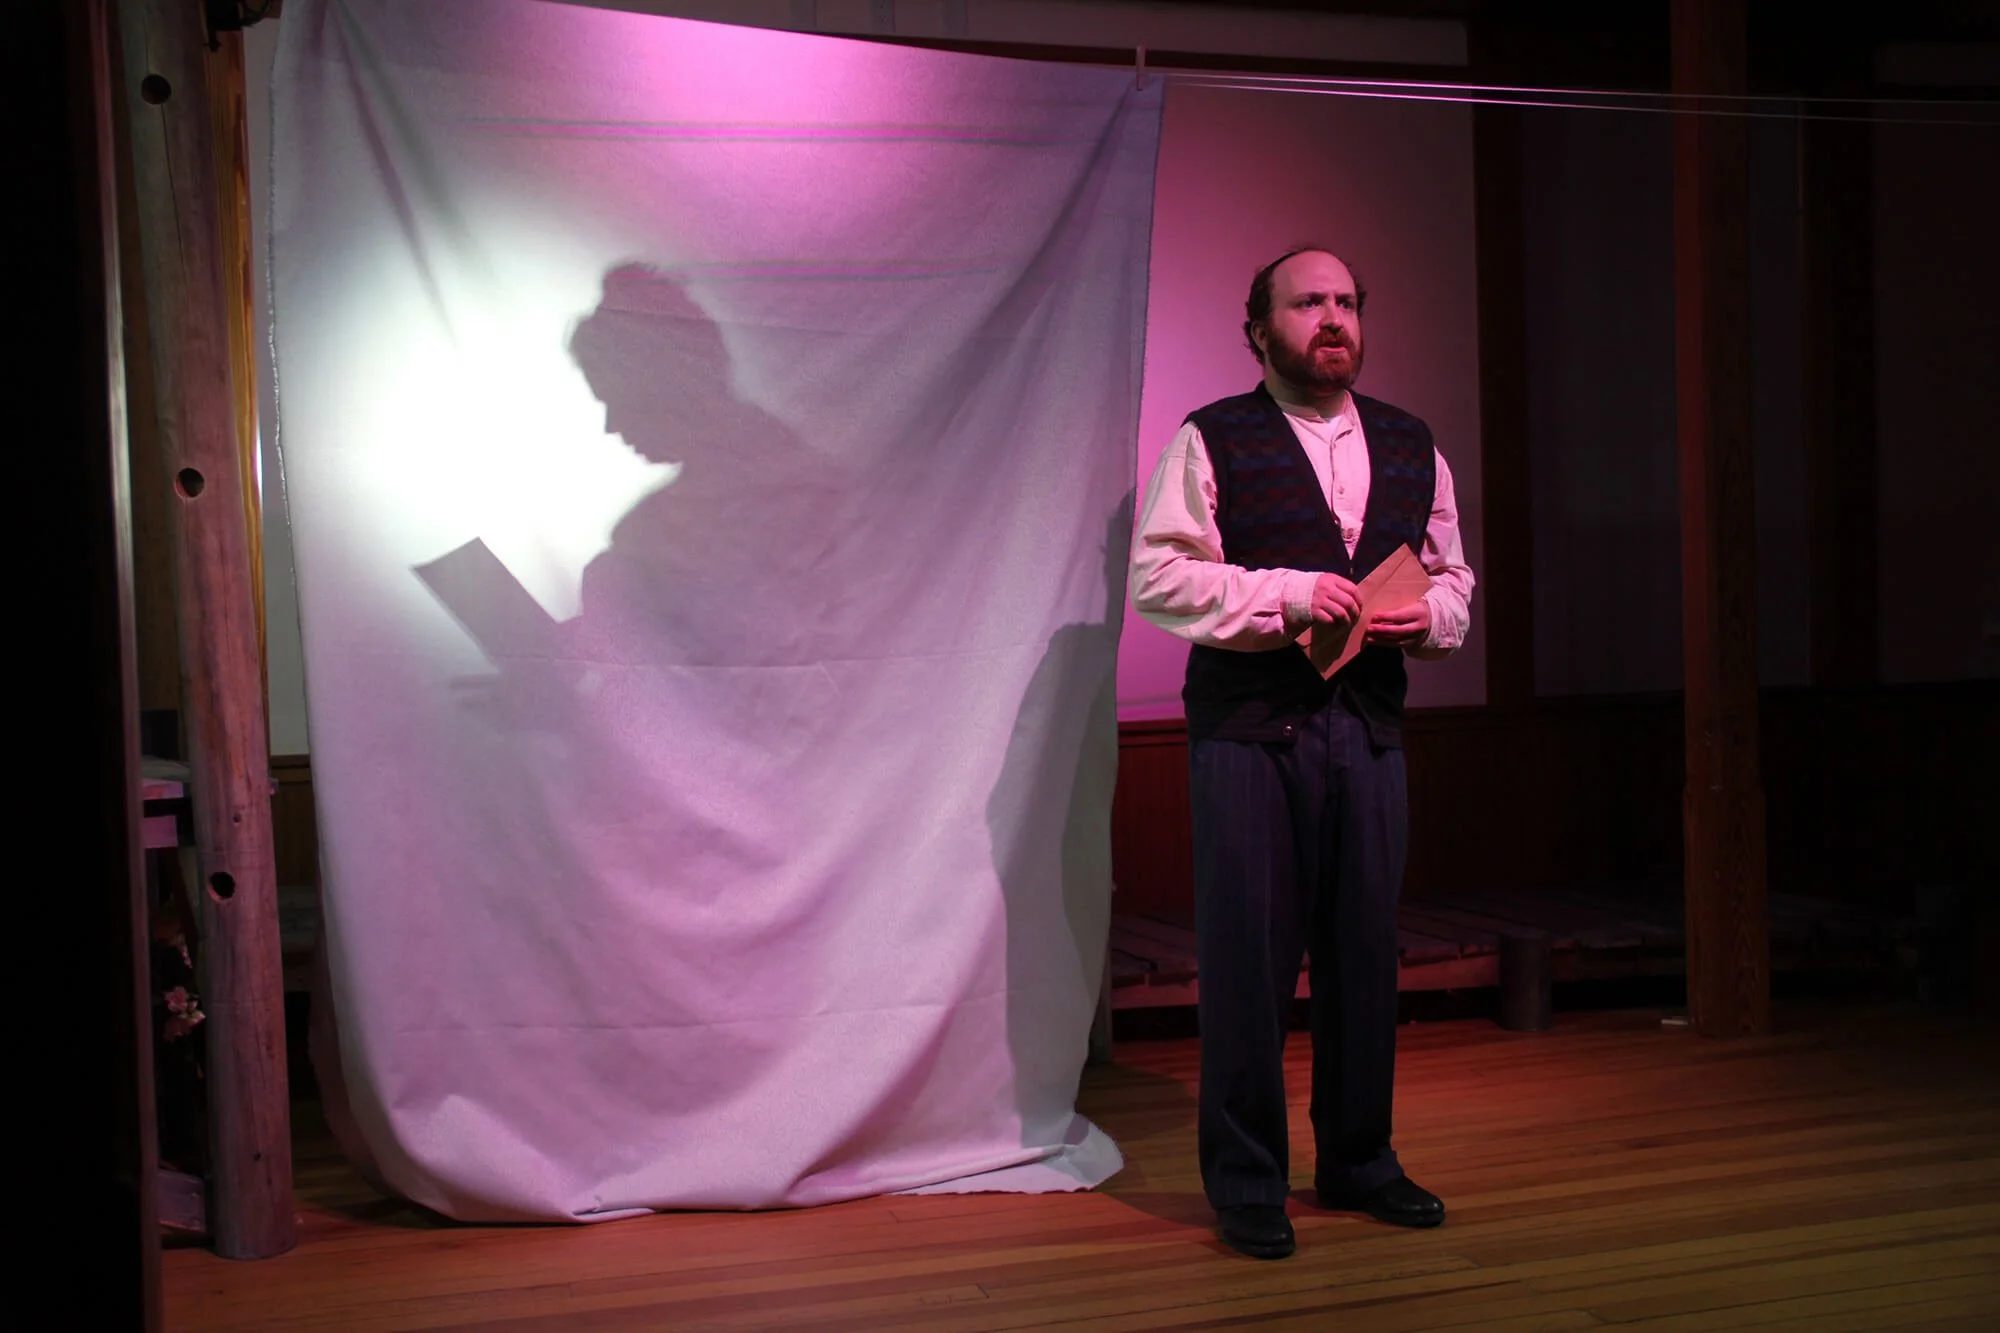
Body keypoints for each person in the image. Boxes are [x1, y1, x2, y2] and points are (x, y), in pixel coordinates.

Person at [1130, 247, 1475, 1260]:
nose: (1330, 317)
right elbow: (1158, 577)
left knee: (1363, 954)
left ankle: (1359, 1161)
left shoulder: (1412, 444)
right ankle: (1246, 1181)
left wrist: (1430, 621)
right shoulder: (1214, 438)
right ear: (1257, 328)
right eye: (1306, 301)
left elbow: (1452, 577)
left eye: (1344, 302)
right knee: (1248, 960)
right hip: (1248, 735)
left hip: (1364, 730)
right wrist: (1280, 595)